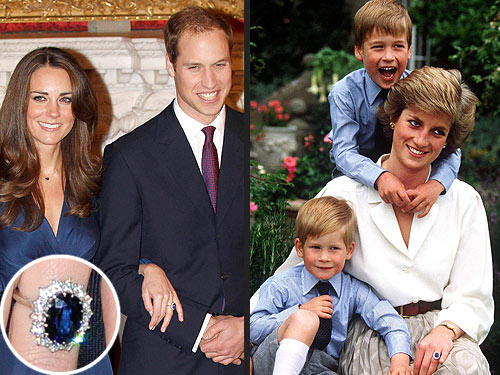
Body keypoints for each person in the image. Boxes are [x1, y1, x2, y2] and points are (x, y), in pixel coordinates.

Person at [267, 66, 493, 375]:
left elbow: (473, 294)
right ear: (393, 119)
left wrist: (447, 330)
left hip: (442, 328)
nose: (422, 140)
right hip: (371, 331)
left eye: (437, 131)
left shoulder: (463, 201)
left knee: (468, 368)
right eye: (414, 123)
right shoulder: (343, 194)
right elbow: (295, 274)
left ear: (448, 141)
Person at [95, 6, 245, 375]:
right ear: (170, 65)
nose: (209, 81)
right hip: (163, 358)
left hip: (249, 355)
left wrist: (248, 327)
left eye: (220, 64)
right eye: (194, 67)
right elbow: (113, 269)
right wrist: (201, 330)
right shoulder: (129, 156)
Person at [0, 47, 112, 374]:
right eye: (39, 98)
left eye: (65, 99)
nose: (53, 112)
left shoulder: (96, 182)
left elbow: (121, 253)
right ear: (20, 104)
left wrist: (148, 269)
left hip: (84, 357)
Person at [250, 196, 412, 375]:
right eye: (316, 247)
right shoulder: (282, 284)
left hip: (321, 368)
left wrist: (400, 360)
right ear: (300, 248)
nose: (324, 257)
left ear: (349, 250)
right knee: (305, 319)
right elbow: (252, 328)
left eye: (334, 248)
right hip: (272, 361)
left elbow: (389, 319)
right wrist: (297, 312)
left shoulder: (352, 290)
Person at [329, 0, 461, 218]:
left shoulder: (419, 89)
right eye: (378, 47)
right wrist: (380, 176)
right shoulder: (344, 92)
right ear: (359, 51)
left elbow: (452, 147)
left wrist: (436, 184)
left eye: (398, 46)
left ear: (409, 51)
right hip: (357, 178)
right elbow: (344, 152)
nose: (388, 56)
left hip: (411, 180)